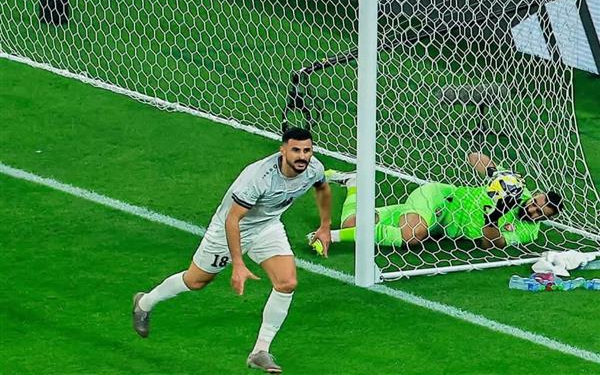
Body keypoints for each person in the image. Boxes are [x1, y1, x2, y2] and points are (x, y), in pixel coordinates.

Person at [133, 127, 332, 373]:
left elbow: (322, 189)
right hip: (230, 229)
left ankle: (260, 351)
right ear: (283, 151)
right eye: (296, 150)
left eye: (307, 150)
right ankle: (144, 303)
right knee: (196, 281)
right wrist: (238, 264)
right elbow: (233, 219)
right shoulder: (258, 178)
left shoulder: (314, 168)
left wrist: (325, 227)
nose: (302, 156)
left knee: (287, 283)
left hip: (267, 226)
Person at [312, 152, 562, 251]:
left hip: (440, 226)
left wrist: (493, 218)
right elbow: (473, 156)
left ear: (545, 218)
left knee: (352, 223)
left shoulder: (529, 231)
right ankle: (329, 237)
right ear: (535, 195)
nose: (532, 210)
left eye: (540, 213)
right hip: (438, 199)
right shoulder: (514, 188)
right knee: (411, 235)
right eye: (535, 203)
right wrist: (494, 172)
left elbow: (491, 244)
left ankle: (353, 183)